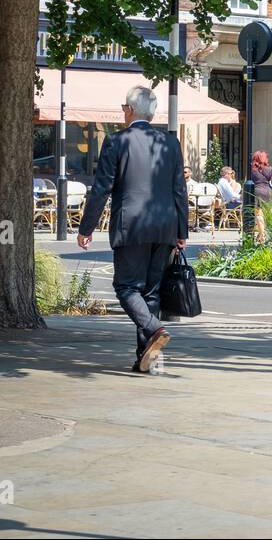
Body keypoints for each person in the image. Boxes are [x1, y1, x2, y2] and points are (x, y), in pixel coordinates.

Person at [77, 86, 189, 374]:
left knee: (126, 287)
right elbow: (180, 190)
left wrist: (86, 227)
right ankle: (147, 357)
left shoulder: (117, 141)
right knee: (150, 292)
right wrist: (182, 230)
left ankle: (154, 328)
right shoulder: (170, 143)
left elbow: (101, 189)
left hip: (131, 226)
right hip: (165, 225)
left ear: (129, 110)